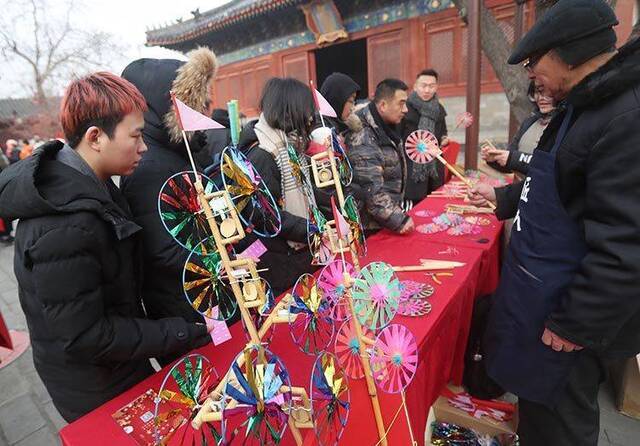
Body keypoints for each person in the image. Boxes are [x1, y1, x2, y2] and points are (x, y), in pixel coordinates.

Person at [468, 1, 640, 444]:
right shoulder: (581, 107)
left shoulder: (623, 116)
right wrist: (504, 196)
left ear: (569, 53)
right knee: (539, 416)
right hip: (539, 299)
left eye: (534, 61)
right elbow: (553, 187)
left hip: (564, 320)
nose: (530, 73)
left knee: (560, 426)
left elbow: (626, 244)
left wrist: (574, 323)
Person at [0, 72, 212, 422]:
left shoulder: (96, 188)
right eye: (136, 135)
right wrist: (176, 331)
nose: (144, 147)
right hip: (94, 385)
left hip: (118, 362)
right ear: (95, 137)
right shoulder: (64, 226)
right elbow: (86, 335)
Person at [120, 48, 219, 358]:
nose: (199, 114)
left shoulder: (178, 152)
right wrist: (222, 264)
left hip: (203, 294)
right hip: (185, 306)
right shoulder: (149, 166)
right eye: (191, 105)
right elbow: (163, 250)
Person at [238, 77, 317, 295]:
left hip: (295, 252)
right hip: (278, 259)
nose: (310, 118)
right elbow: (266, 216)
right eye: (306, 110)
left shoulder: (289, 146)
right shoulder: (263, 153)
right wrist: (311, 229)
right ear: (290, 110)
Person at [348, 78, 413, 234]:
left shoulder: (386, 125)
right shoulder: (363, 134)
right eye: (401, 103)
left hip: (385, 220)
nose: (405, 110)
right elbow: (371, 190)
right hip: (371, 226)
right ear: (383, 105)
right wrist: (399, 220)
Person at [482, 82, 556, 179]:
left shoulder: (565, 126)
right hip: (522, 191)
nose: (541, 98)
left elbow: (551, 166)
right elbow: (511, 163)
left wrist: (513, 158)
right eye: (537, 92)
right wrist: (495, 159)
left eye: (547, 93)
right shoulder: (529, 123)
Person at [401, 69, 449, 204]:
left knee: (434, 202)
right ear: (415, 86)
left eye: (431, 86)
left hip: (434, 164)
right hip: (411, 165)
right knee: (415, 206)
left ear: (437, 87)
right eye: (423, 85)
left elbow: (442, 132)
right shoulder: (405, 108)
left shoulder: (439, 109)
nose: (427, 90)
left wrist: (444, 139)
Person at [319, 72, 361, 136]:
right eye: (350, 101)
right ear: (336, 100)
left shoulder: (341, 129)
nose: (352, 108)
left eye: (353, 102)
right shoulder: (322, 131)